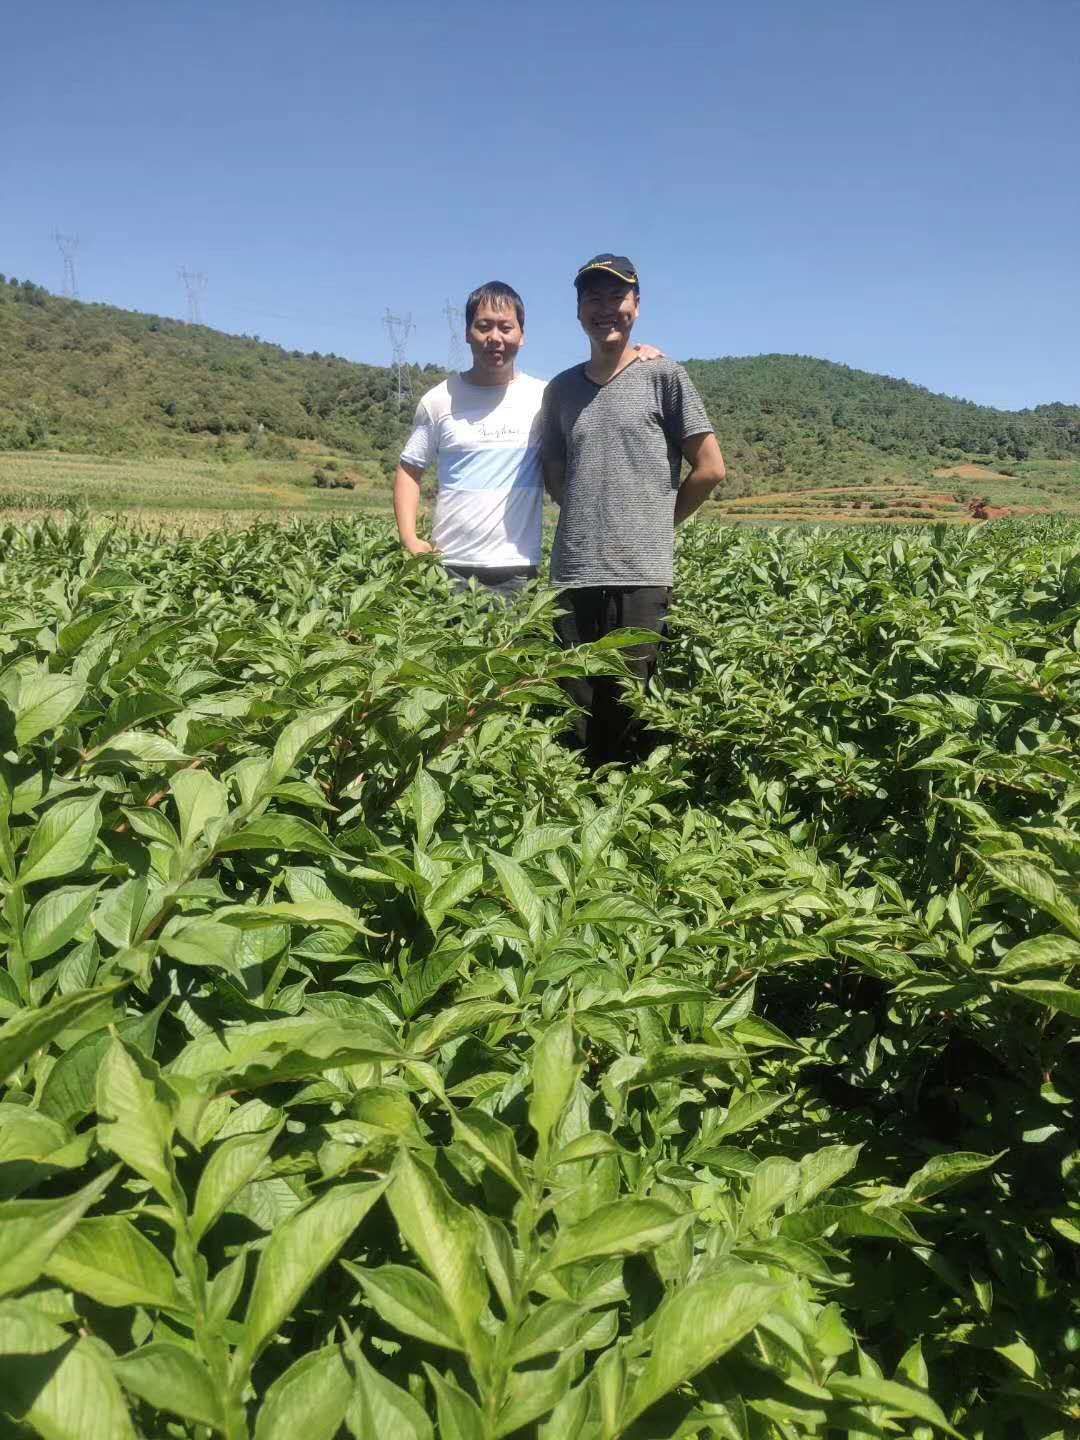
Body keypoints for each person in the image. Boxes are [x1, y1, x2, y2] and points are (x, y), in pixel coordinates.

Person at [541, 253, 727, 766]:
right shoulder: (560, 391)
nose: (606, 308)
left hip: (640, 575)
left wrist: (653, 521)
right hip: (573, 575)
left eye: (616, 296)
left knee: (627, 715)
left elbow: (710, 467)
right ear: (579, 311)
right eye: (593, 298)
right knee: (570, 714)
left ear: (637, 306)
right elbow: (555, 471)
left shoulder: (664, 376)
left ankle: (623, 828)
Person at [393, 281, 664, 599]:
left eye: (506, 327)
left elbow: (601, 393)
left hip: (519, 570)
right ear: (467, 333)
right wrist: (409, 538)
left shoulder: (545, 396)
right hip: (447, 566)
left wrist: (636, 356)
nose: (495, 338)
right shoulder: (438, 400)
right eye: (484, 327)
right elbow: (410, 470)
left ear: (521, 336)